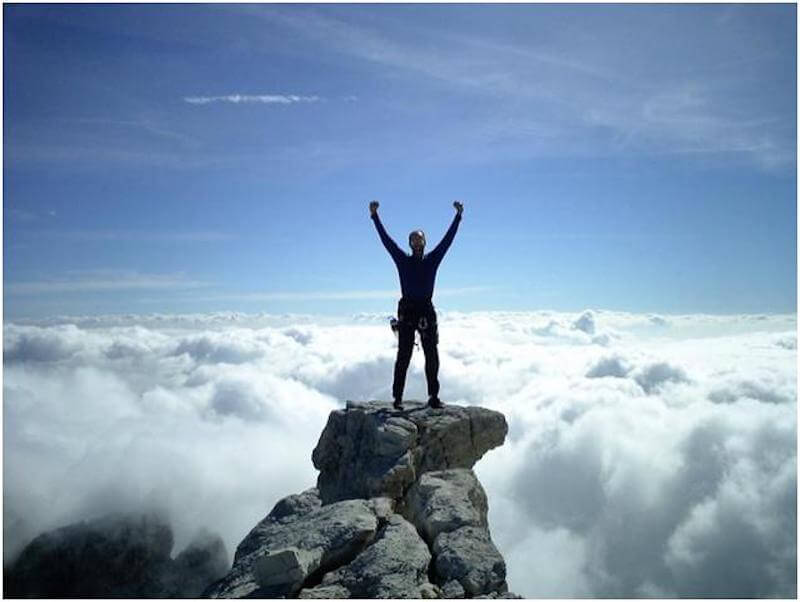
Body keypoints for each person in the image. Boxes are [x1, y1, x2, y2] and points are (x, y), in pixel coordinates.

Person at [370, 200, 463, 411]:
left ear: (425, 242)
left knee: (432, 353)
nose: (417, 242)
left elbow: (448, 240)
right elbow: (387, 241)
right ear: (410, 244)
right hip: (409, 311)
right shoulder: (403, 260)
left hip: (425, 310)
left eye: (419, 239)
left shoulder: (433, 259)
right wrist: (375, 217)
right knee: (404, 355)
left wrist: (458, 217)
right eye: (413, 240)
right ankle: (397, 398)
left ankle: (433, 396)